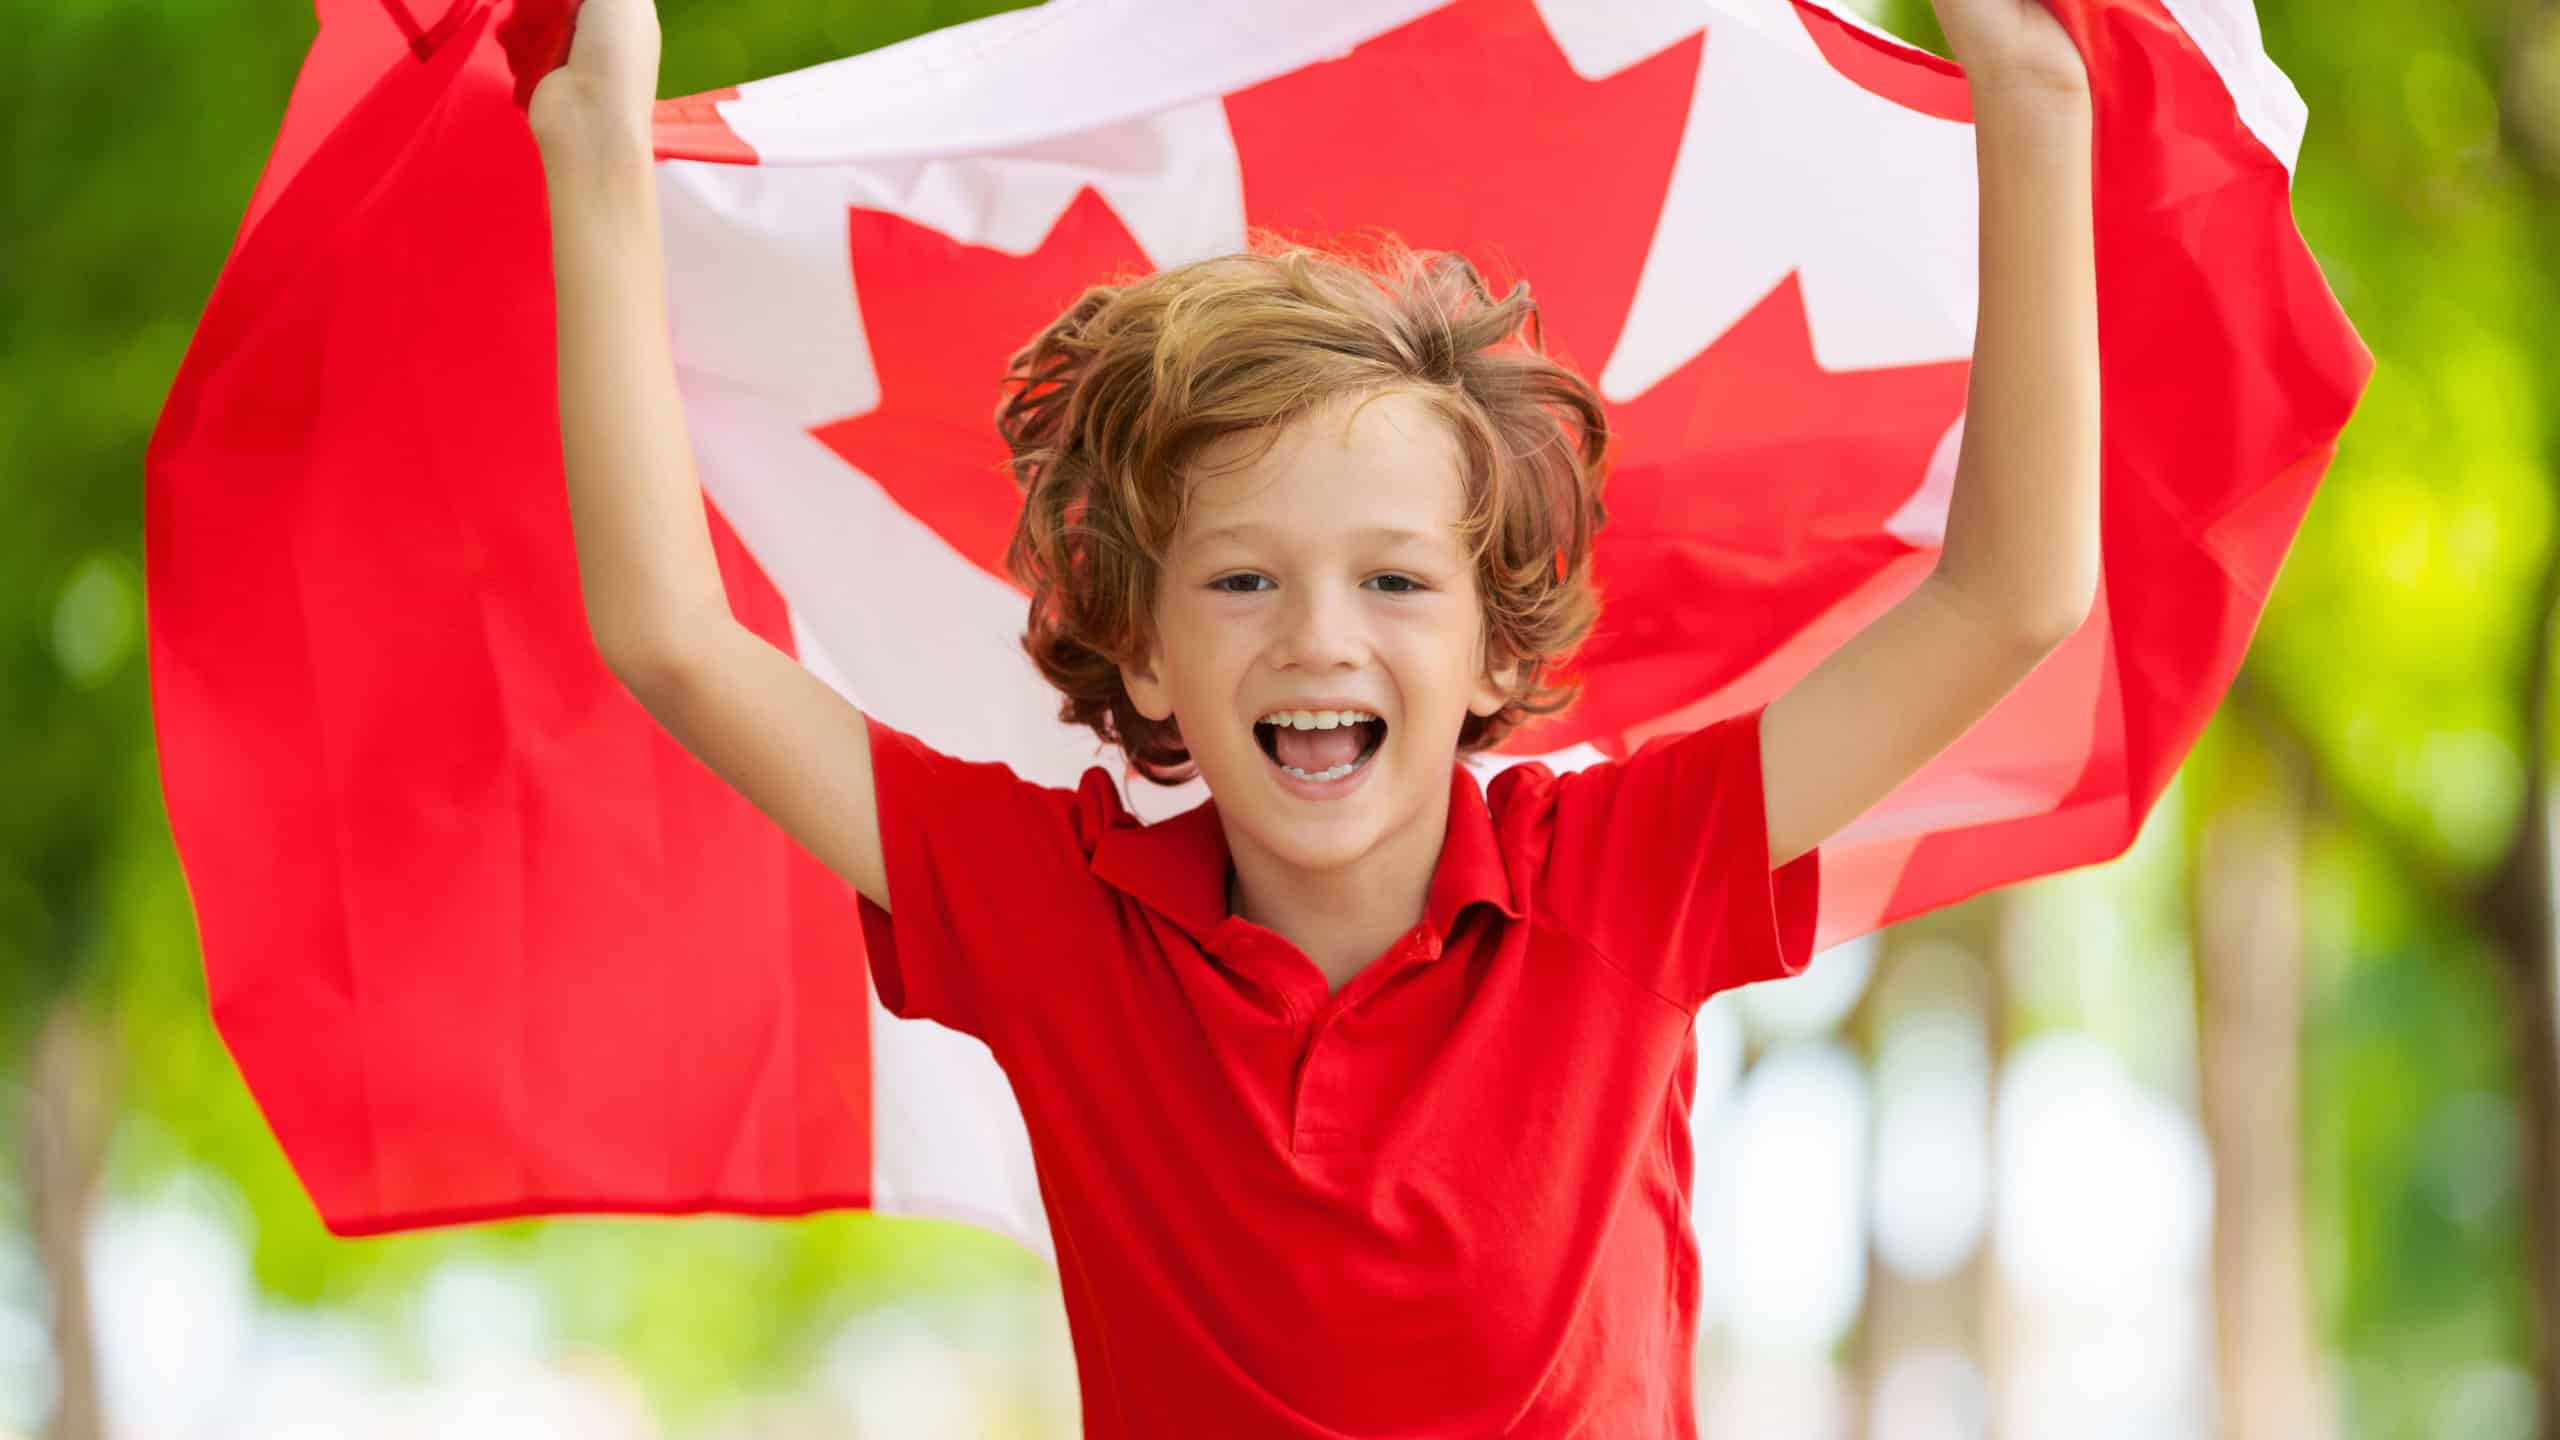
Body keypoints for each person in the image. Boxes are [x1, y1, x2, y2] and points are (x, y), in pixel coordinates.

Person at [526, 0, 2097, 1432]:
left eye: (1397, 583)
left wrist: (2033, 92)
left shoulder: (1629, 876)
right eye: (1242, 586)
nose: (1317, 640)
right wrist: (594, 152)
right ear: (1142, 654)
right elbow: (671, 636)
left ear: (1497, 647)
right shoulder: (1060, 925)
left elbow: (2012, 593)